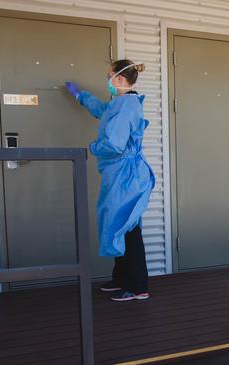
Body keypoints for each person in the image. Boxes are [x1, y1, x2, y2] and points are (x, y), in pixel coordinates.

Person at [65, 59, 155, 302]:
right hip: (121, 175)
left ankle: (137, 287)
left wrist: (93, 147)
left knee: (127, 227)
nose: (107, 81)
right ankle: (122, 278)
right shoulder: (120, 104)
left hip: (126, 176)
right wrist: (79, 95)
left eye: (109, 76)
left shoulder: (126, 106)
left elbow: (114, 144)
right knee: (119, 224)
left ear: (120, 79)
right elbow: (101, 109)